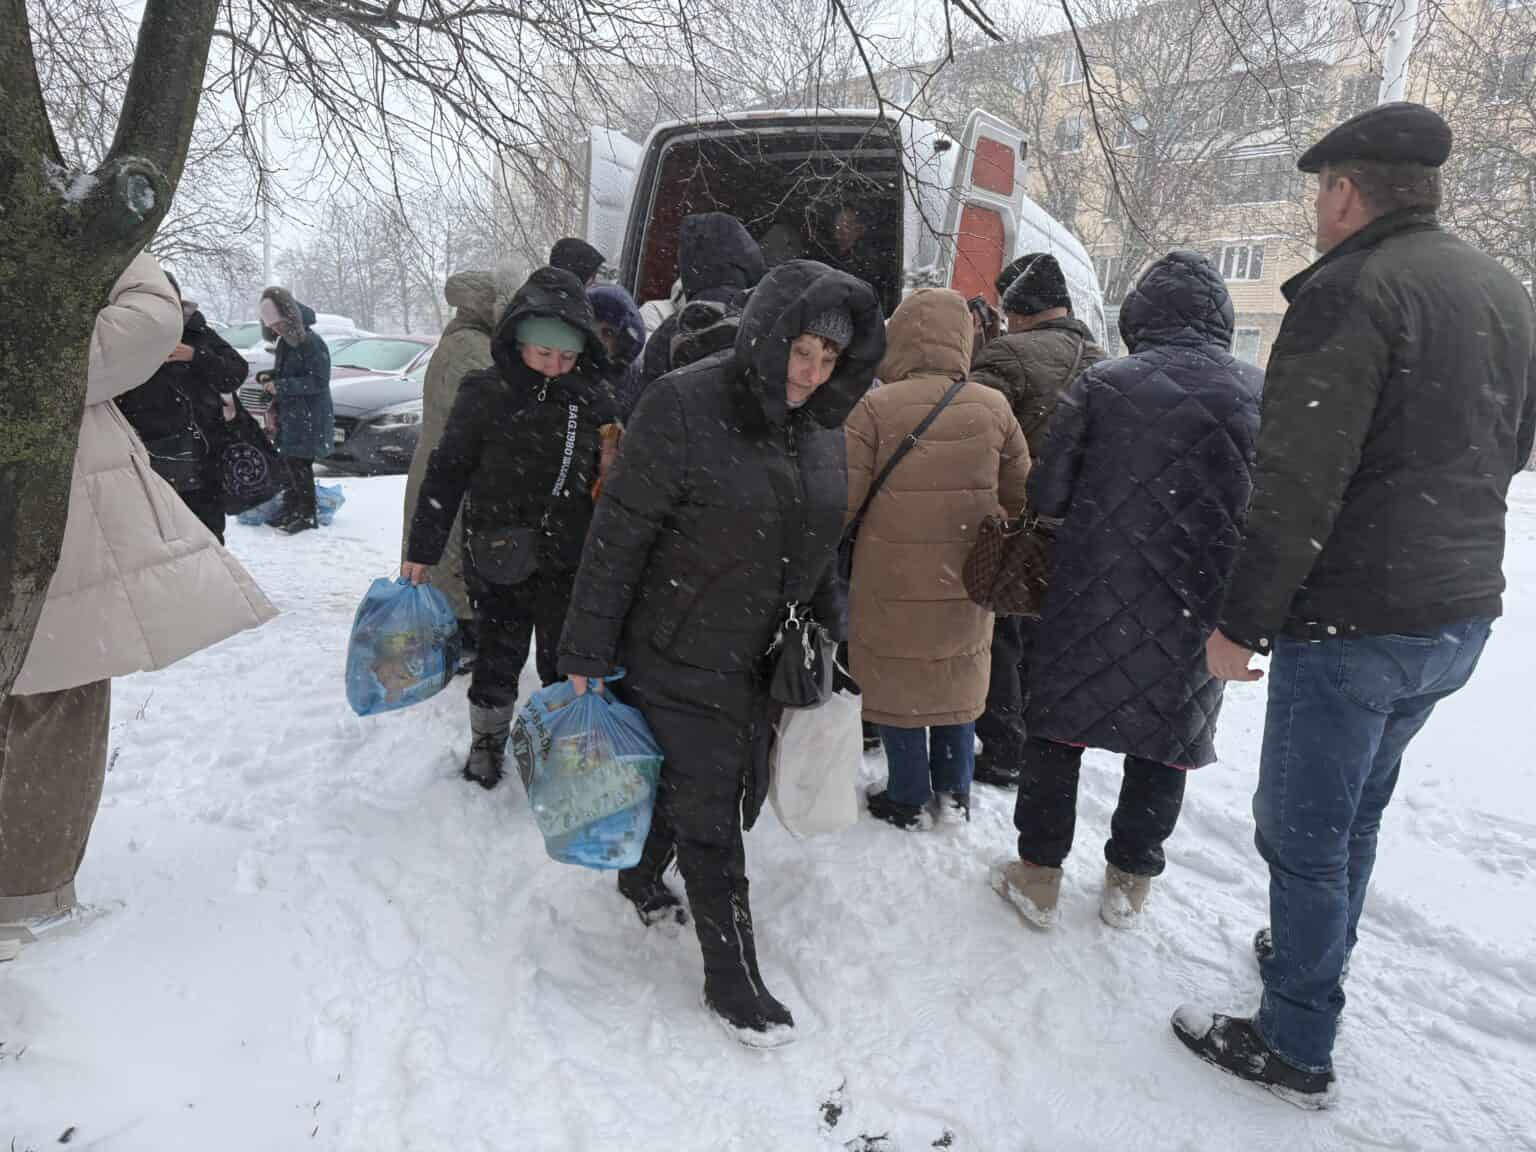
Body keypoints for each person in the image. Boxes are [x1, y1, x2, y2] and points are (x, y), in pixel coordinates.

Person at [1174, 103, 1536, 1108]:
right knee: (1352, 810)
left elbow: (1293, 485)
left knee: (1299, 828)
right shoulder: (1500, 288)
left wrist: (1238, 622)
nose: (1315, 211)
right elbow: (1514, 444)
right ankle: (1309, 942)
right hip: (1459, 612)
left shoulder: (1349, 292)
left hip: (1357, 623)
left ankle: (1295, 1041)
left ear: (1344, 192)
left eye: (1317, 193)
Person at [557, 260, 885, 1046]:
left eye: (829, 359)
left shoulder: (823, 427)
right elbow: (618, 537)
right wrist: (586, 650)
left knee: (727, 785)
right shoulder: (683, 404)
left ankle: (640, 874)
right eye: (800, 352)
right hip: (678, 643)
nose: (809, 373)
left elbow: (818, 543)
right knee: (713, 806)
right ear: (770, 337)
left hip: (762, 653)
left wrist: (832, 625)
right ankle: (730, 976)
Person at [0, 253, 275, 951]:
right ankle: (31, 895)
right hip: (51, 518)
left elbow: (225, 370)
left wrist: (191, 353)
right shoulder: (59, 285)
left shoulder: (200, 333)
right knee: (58, 696)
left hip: (147, 466)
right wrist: (125, 265)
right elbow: (114, 344)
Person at [992, 251, 1261, 932]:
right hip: (1198, 604)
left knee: (1056, 730)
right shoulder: (1261, 392)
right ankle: (1130, 879)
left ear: (1141, 314)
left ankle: (1039, 874)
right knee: (1165, 737)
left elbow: (1047, 490)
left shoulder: (1105, 383)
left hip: (1092, 590)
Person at [403, 267, 619, 789]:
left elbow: (613, 482)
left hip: (568, 556)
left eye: (566, 357)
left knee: (561, 661)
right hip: (498, 552)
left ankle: (555, 741)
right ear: (520, 338)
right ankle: (487, 742)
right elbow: (447, 470)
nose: (554, 367)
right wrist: (423, 549)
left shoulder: (592, 400)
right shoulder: (485, 392)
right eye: (544, 354)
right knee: (498, 658)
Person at [847, 289, 1031, 829]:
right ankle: (953, 790)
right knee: (956, 673)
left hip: (889, 575)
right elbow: (1023, 494)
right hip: (970, 574)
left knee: (898, 675)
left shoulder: (873, 408)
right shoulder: (993, 406)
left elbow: (844, 500)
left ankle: (906, 793)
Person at [969, 254, 1108, 788]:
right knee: (1045, 640)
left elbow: (974, 430)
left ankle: (1003, 745)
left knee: (1002, 633)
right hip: (1078, 527)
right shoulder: (1102, 360)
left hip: (1017, 520)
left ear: (1019, 310)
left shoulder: (1006, 353)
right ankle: (1037, 735)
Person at [402, 271, 502, 654]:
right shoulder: (472, 348)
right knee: (451, 558)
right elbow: (482, 415)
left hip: (439, 462)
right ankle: (457, 641)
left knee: (446, 557)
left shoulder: (461, 339)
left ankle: (450, 633)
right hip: (453, 468)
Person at [116, 271, 249, 544]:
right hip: (149, 456)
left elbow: (235, 373)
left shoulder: (196, 331)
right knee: (161, 541)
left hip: (203, 455)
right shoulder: (124, 333)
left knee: (208, 536)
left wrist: (195, 356)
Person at [636, 212, 765, 399]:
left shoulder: (672, 330)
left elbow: (645, 408)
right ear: (748, 259)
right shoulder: (765, 319)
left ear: (688, 264)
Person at [256, 287, 334, 535]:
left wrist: (280, 385)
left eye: (279, 325)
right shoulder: (285, 343)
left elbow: (318, 382)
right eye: (273, 327)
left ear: (290, 319)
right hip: (292, 415)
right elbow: (290, 373)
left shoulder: (311, 342)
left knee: (300, 465)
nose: (276, 330)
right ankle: (291, 509)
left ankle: (307, 514)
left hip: (309, 415)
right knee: (289, 463)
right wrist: (271, 378)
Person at [587, 281, 647, 417]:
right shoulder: (560, 364)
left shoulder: (634, 381)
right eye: (590, 329)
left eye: (607, 333)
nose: (596, 339)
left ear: (621, 341)